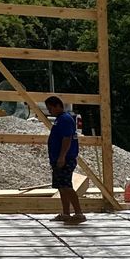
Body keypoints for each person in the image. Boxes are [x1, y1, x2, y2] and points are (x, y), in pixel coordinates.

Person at [46, 95, 85, 225]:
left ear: (58, 106)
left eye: (51, 108)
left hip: (66, 159)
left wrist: (62, 157)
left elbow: (67, 139)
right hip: (59, 159)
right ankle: (66, 213)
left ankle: (79, 213)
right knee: (62, 187)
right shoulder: (60, 119)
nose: (49, 111)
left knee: (67, 186)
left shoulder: (65, 119)